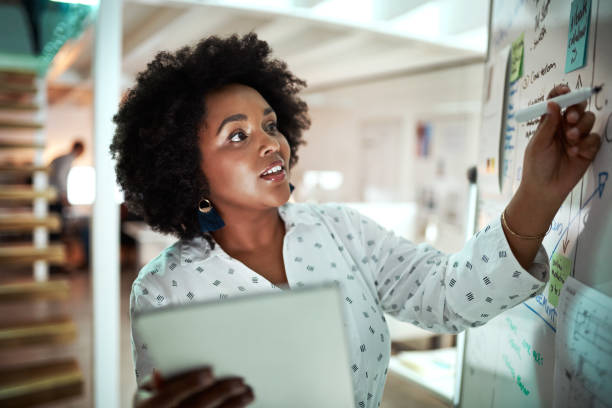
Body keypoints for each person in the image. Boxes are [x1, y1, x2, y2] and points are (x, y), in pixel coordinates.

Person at [109, 33, 601, 408]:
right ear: (186, 170)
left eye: (270, 124)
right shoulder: (164, 288)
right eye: (236, 136)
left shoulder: (340, 230)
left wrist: (537, 191)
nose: (270, 143)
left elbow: (450, 295)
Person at [48, 140, 84, 234]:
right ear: (79, 149)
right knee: (56, 223)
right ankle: (54, 245)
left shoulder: (62, 158)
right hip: (55, 196)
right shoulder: (67, 159)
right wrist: (64, 195)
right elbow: (60, 176)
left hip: (52, 194)